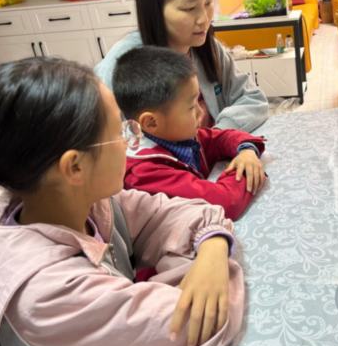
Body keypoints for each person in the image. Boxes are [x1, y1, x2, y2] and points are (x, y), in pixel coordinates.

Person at [0, 57, 244, 346]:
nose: (131, 141)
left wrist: (212, 247)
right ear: (75, 166)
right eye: (120, 133)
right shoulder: (48, 297)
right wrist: (205, 260)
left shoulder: (80, 202)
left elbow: (179, 212)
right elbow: (202, 321)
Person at [94, 0, 268, 132]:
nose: (204, 19)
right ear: (155, 10)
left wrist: (218, 135)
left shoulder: (206, 48)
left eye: (208, 2)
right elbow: (100, 138)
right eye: (189, 8)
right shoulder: (123, 65)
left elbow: (252, 98)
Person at [113, 46, 266, 221]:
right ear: (151, 122)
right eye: (192, 107)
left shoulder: (175, 135)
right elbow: (224, 202)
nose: (201, 111)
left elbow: (218, 138)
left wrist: (246, 150)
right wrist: (245, 170)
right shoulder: (144, 172)